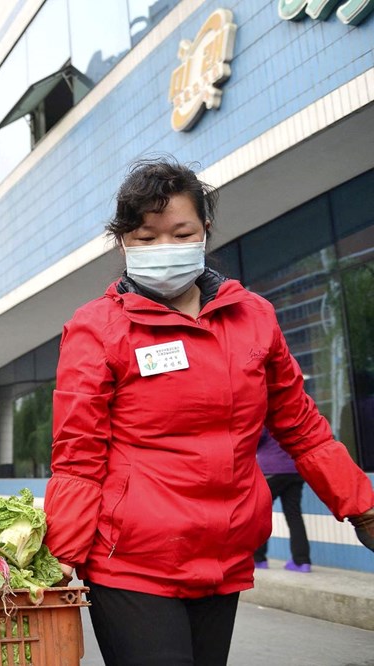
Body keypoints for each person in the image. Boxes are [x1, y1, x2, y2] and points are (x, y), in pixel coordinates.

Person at [42, 159, 374, 666]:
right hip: (131, 560)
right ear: (122, 242)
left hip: (224, 552)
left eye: (181, 232)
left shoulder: (254, 318)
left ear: (205, 231)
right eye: (146, 237)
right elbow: (78, 454)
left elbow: (302, 427)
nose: (164, 249)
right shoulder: (98, 329)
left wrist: (363, 506)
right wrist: (61, 557)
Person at [254, 428, 312, 572]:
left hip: (271, 471)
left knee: (259, 514)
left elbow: (255, 440)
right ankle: (301, 561)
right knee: (294, 516)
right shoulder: (293, 417)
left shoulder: (266, 418)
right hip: (294, 470)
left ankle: (258, 559)